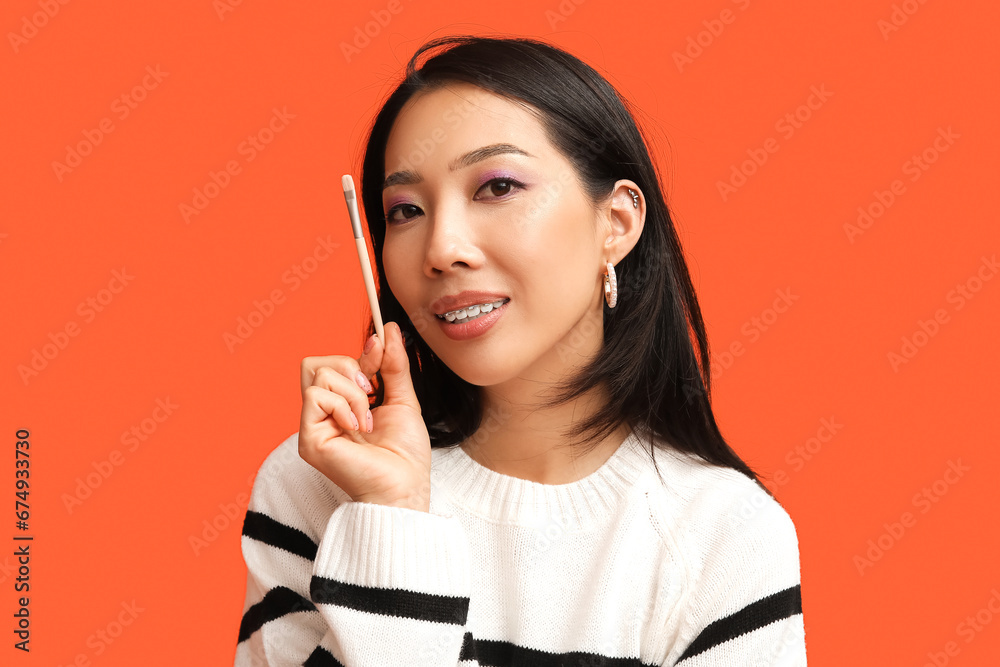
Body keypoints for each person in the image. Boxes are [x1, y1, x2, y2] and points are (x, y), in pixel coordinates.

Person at [235, 35, 806, 666]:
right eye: (405, 210)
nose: (442, 247)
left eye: (498, 187)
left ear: (615, 223)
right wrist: (391, 518)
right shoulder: (315, 484)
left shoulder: (724, 537)